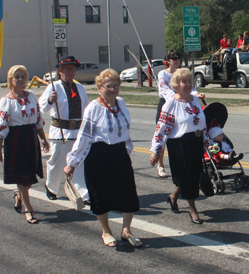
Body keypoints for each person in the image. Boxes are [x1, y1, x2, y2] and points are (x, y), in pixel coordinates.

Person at [64, 69, 141, 247]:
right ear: (99, 88)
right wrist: (72, 162)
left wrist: (125, 149)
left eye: (115, 85)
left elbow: (125, 130)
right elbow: (84, 136)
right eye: (108, 86)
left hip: (119, 155)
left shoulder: (121, 103)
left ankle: (127, 230)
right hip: (99, 156)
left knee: (128, 194)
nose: (113, 89)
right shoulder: (94, 107)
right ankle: (106, 232)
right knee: (101, 196)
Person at [149, 68, 210, 225]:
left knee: (192, 176)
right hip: (179, 144)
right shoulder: (171, 103)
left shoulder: (195, 100)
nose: (188, 84)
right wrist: (156, 150)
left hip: (195, 142)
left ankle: (173, 197)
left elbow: (203, 123)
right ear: (176, 84)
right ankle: (192, 209)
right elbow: (162, 128)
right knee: (186, 176)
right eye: (184, 81)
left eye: (190, 81)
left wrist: (205, 142)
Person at [0, 65, 50, 224]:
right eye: (16, 77)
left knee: (30, 176)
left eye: (23, 77)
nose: (20, 79)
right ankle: (28, 208)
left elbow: (38, 119)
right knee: (23, 177)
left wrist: (43, 139)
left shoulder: (32, 96)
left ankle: (19, 196)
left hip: (31, 137)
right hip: (15, 139)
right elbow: (1, 126)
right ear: (11, 80)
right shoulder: (6, 101)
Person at [39, 56, 89, 204]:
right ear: (59, 70)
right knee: (57, 161)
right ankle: (52, 188)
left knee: (79, 162)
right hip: (60, 130)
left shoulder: (80, 88)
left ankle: (83, 193)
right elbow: (42, 108)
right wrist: (50, 100)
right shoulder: (53, 87)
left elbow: (86, 109)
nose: (70, 70)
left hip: (77, 132)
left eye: (72, 67)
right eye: (66, 67)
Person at [155, 50, 205, 178]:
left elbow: (191, 88)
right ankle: (160, 164)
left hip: (184, 103)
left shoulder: (183, 72)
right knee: (164, 134)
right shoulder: (163, 74)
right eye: (174, 58)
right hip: (168, 104)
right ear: (168, 60)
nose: (177, 60)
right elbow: (165, 90)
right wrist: (177, 98)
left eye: (179, 58)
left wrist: (196, 94)